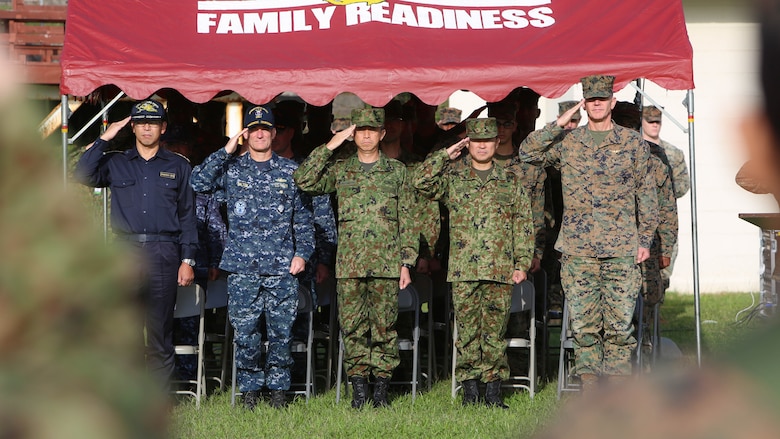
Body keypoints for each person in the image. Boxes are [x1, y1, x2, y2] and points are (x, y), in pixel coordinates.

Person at [520, 75, 658, 390]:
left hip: (621, 248)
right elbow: (528, 152)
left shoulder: (631, 142)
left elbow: (647, 196)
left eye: (602, 99)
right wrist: (562, 120)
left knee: (619, 327)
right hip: (578, 250)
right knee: (584, 328)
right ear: (584, 102)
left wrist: (645, 240)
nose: (597, 104)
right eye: (590, 99)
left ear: (611, 101)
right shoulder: (569, 143)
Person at [190, 105, 315, 409]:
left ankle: (278, 391)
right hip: (243, 268)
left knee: (281, 333)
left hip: (281, 267)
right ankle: (249, 390)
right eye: (253, 129)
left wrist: (302, 254)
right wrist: (226, 149)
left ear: (274, 134)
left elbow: (304, 219)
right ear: (245, 134)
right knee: (245, 333)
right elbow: (198, 182)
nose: (260, 134)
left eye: (266, 129)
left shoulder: (291, 172)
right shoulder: (232, 169)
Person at [293, 107, 417, 408]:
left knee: (385, 327)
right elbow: (303, 179)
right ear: (353, 133)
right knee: (353, 327)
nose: (365, 135)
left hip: (386, 264)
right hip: (350, 264)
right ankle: (360, 390)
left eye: (371, 130)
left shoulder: (397, 172)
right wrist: (334, 143)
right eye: (360, 130)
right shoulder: (341, 168)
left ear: (382, 134)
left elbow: (408, 220)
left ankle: (381, 390)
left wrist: (406, 262)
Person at [74, 99, 198, 391]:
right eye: (140, 122)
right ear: (131, 127)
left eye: (152, 122)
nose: (146, 127)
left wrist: (188, 259)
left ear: (163, 128)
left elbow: (187, 215)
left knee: (159, 331)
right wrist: (106, 136)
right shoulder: (116, 162)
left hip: (163, 252)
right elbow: (82, 173)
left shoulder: (178, 166)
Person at [414, 117, 533, 408]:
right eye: (476, 142)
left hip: (499, 268)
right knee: (467, 332)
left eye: (487, 141)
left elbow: (523, 225)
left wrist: (522, 263)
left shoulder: (510, 181)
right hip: (464, 269)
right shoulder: (454, 179)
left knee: (494, 332)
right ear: (468, 145)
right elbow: (420, 181)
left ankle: (492, 391)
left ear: (496, 143)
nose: (482, 147)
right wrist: (445, 155)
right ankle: (470, 391)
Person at [641, 105, 690, 290]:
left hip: (663, 219)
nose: (654, 125)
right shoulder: (633, 149)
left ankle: (655, 312)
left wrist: (661, 193)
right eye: (650, 121)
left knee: (662, 274)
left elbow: (683, 185)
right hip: (639, 222)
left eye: (657, 122)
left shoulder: (672, 153)